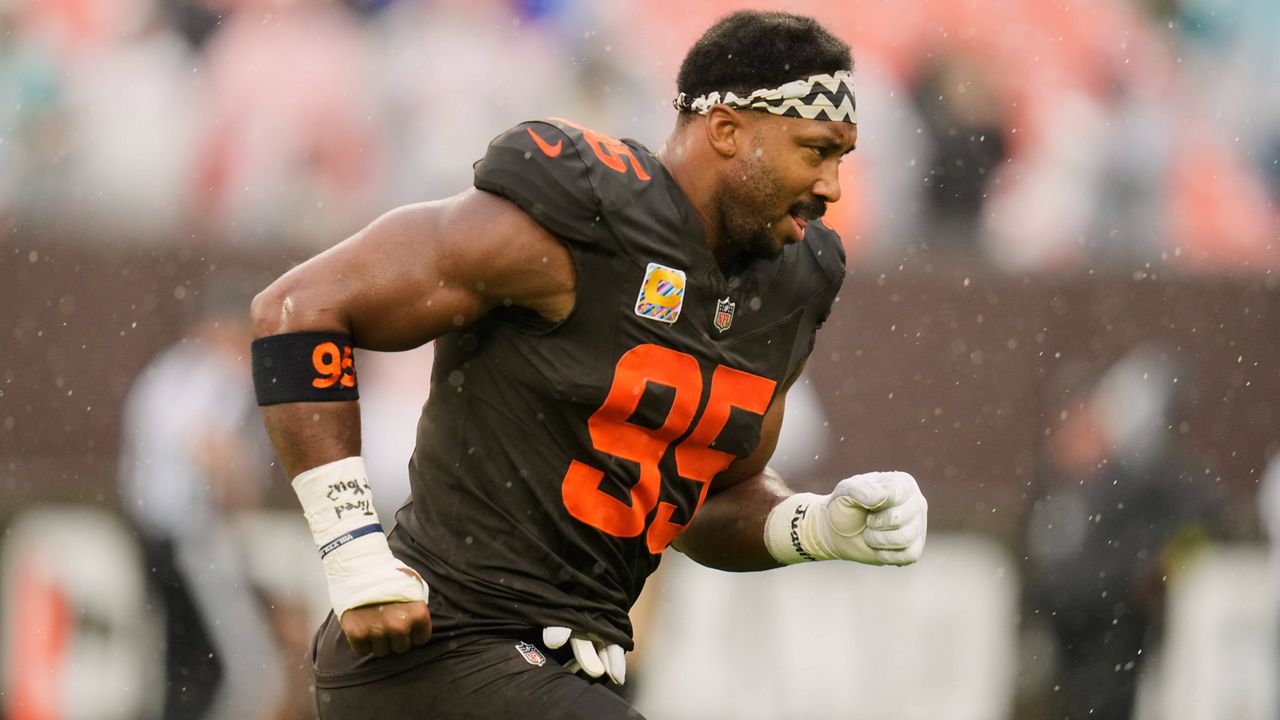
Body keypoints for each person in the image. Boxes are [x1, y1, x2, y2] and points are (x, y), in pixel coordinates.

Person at [249, 11, 929, 719]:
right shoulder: (585, 216)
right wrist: (352, 551)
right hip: (436, 648)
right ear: (727, 131)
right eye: (815, 151)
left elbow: (710, 502)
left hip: (558, 673)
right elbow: (298, 309)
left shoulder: (789, 283)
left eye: (842, 157)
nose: (833, 187)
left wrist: (812, 527)